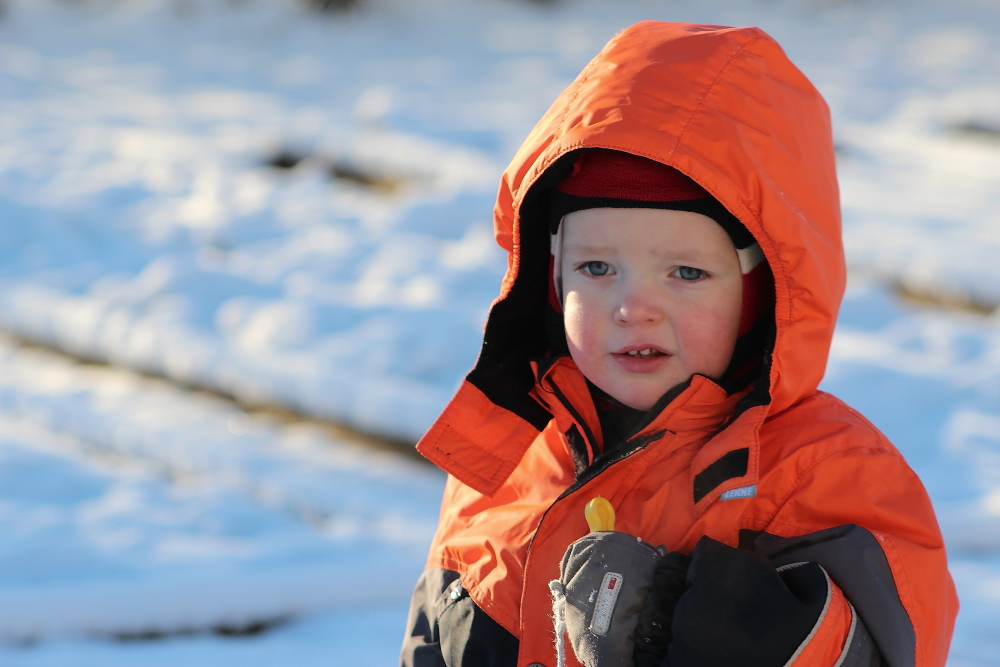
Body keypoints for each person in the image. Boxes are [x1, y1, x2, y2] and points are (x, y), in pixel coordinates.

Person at [400, 21, 957, 667]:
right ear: (550, 280)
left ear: (761, 293)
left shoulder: (826, 475)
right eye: (597, 268)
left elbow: (889, 650)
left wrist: (703, 623)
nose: (633, 308)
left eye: (686, 273)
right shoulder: (510, 450)